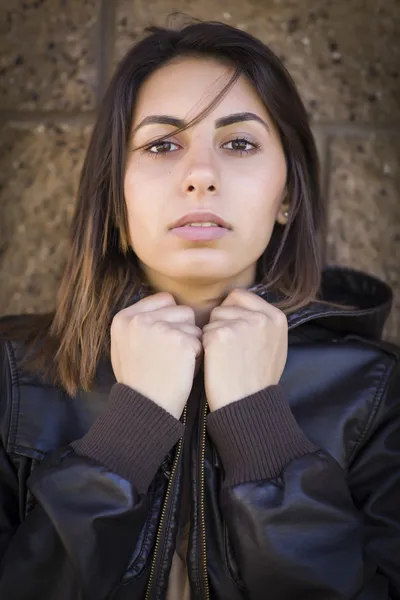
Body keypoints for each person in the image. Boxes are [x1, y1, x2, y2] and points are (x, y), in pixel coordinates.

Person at [0, 19, 399, 600]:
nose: (201, 176)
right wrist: (127, 434)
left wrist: (262, 428)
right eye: (163, 145)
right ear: (115, 199)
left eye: (239, 143)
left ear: (287, 193)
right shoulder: (13, 380)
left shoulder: (378, 393)